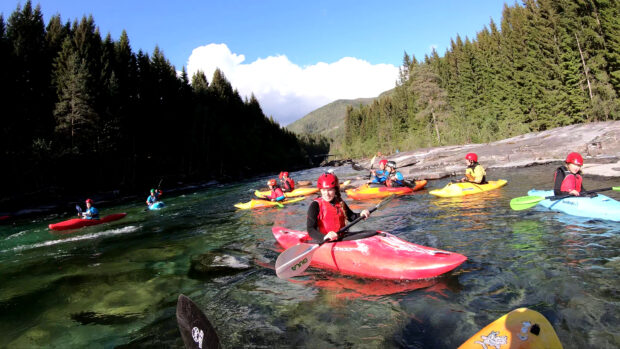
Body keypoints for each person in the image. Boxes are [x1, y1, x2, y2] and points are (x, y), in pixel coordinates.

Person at [307, 173, 375, 242]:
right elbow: (310, 229)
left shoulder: (340, 202)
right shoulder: (315, 205)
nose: (326, 194)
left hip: (341, 237)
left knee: (372, 233)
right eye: (324, 190)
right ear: (320, 190)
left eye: (330, 190)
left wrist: (361, 214)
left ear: (335, 190)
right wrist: (324, 237)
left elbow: (352, 217)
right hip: (326, 240)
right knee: (369, 235)